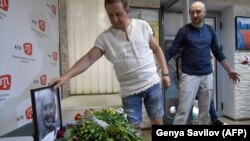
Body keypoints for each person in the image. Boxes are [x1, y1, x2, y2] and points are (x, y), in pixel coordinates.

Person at [49, 0, 171, 129]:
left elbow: (157, 49)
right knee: (133, 128)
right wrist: (65, 77)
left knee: (157, 122)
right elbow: (89, 58)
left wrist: (165, 73)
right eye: (110, 15)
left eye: (118, 14)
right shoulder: (104, 38)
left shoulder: (142, 25)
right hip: (129, 92)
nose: (114, 19)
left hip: (151, 84)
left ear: (127, 10)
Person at [165, 1, 240, 125]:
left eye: (198, 11)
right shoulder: (184, 31)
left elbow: (217, 52)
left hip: (207, 75)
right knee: (183, 111)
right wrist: (158, 64)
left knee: (205, 112)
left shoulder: (209, 30)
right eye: (192, 12)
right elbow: (172, 50)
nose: (194, 15)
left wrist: (229, 69)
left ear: (204, 13)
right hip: (189, 76)